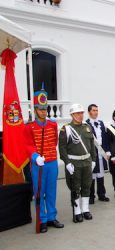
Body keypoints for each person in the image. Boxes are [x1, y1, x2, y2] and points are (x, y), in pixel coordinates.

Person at [25, 87, 64, 233]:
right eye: (40, 109)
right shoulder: (29, 126)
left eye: (45, 109)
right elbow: (28, 145)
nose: (43, 111)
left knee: (52, 190)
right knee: (39, 192)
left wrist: (48, 155)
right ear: (35, 110)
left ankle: (51, 217)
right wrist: (35, 157)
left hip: (52, 161)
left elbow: (54, 141)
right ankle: (42, 219)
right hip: (38, 165)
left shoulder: (53, 124)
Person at [59, 104, 97, 222]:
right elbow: (62, 148)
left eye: (81, 113)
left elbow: (92, 146)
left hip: (86, 162)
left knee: (87, 186)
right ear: (72, 115)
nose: (80, 115)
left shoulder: (87, 127)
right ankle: (77, 212)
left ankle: (85, 209)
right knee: (75, 188)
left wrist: (94, 160)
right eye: (77, 113)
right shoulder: (66, 129)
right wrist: (67, 162)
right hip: (74, 163)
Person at [86, 104, 110, 204]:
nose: (96, 112)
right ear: (89, 112)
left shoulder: (101, 123)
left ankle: (102, 194)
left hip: (101, 153)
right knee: (91, 176)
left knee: (100, 174)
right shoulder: (85, 124)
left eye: (97, 110)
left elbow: (105, 138)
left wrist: (107, 151)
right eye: (94, 110)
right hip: (92, 154)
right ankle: (91, 196)